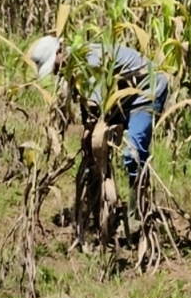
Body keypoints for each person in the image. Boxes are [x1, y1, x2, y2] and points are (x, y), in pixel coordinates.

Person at [27, 36, 169, 195]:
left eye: (54, 65)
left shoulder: (90, 61)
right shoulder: (75, 67)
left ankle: (138, 207)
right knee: (94, 145)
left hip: (147, 94)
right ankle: (98, 201)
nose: (55, 71)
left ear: (60, 51)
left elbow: (96, 108)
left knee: (133, 155)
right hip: (122, 98)